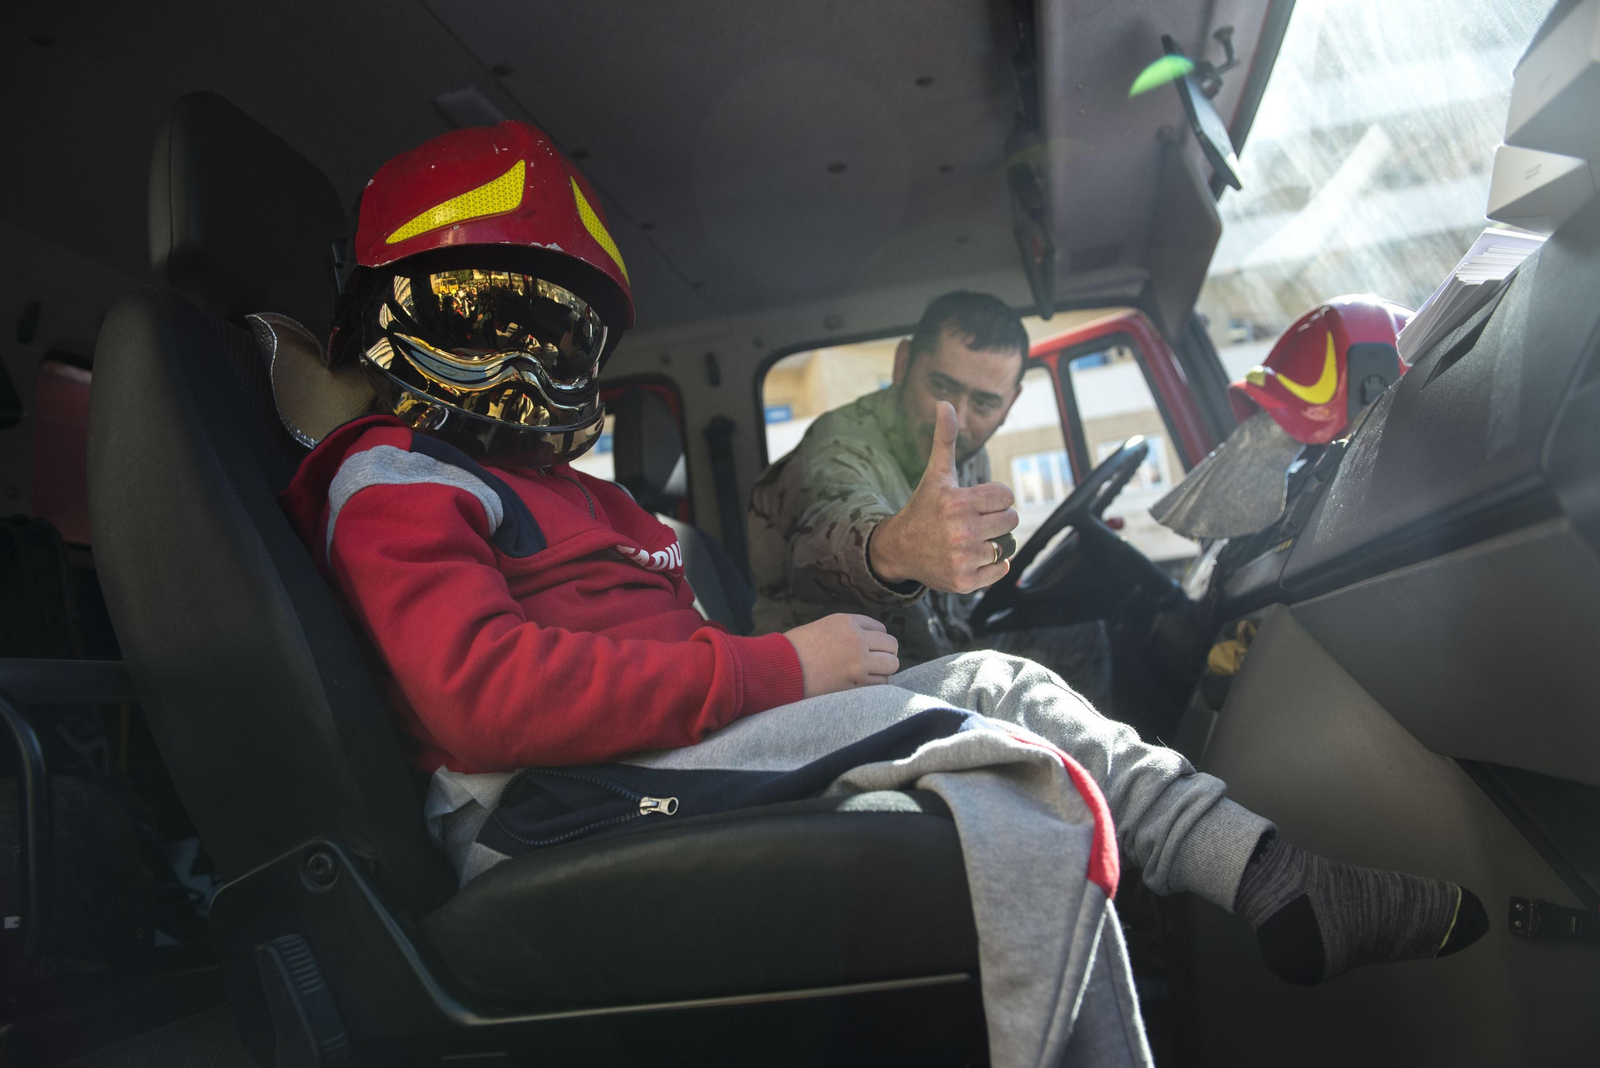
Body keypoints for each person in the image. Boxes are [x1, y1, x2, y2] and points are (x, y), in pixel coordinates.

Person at [279, 121, 1485, 1041]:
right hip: (548, 803)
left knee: (998, 682)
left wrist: (780, 679)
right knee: (1024, 784)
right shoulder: (393, 477)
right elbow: (482, 698)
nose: (539, 365)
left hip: (644, 755)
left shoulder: (581, 496)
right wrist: (788, 660)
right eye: (503, 317)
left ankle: (1265, 876)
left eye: (569, 335)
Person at [748, 292, 1114, 708]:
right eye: (941, 386)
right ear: (903, 364)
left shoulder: (966, 452)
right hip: (854, 689)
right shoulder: (837, 446)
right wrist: (896, 549)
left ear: (1009, 403)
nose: (957, 415)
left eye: (984, 402)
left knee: (1085, 636)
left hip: (941, 649)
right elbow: (822, 537)